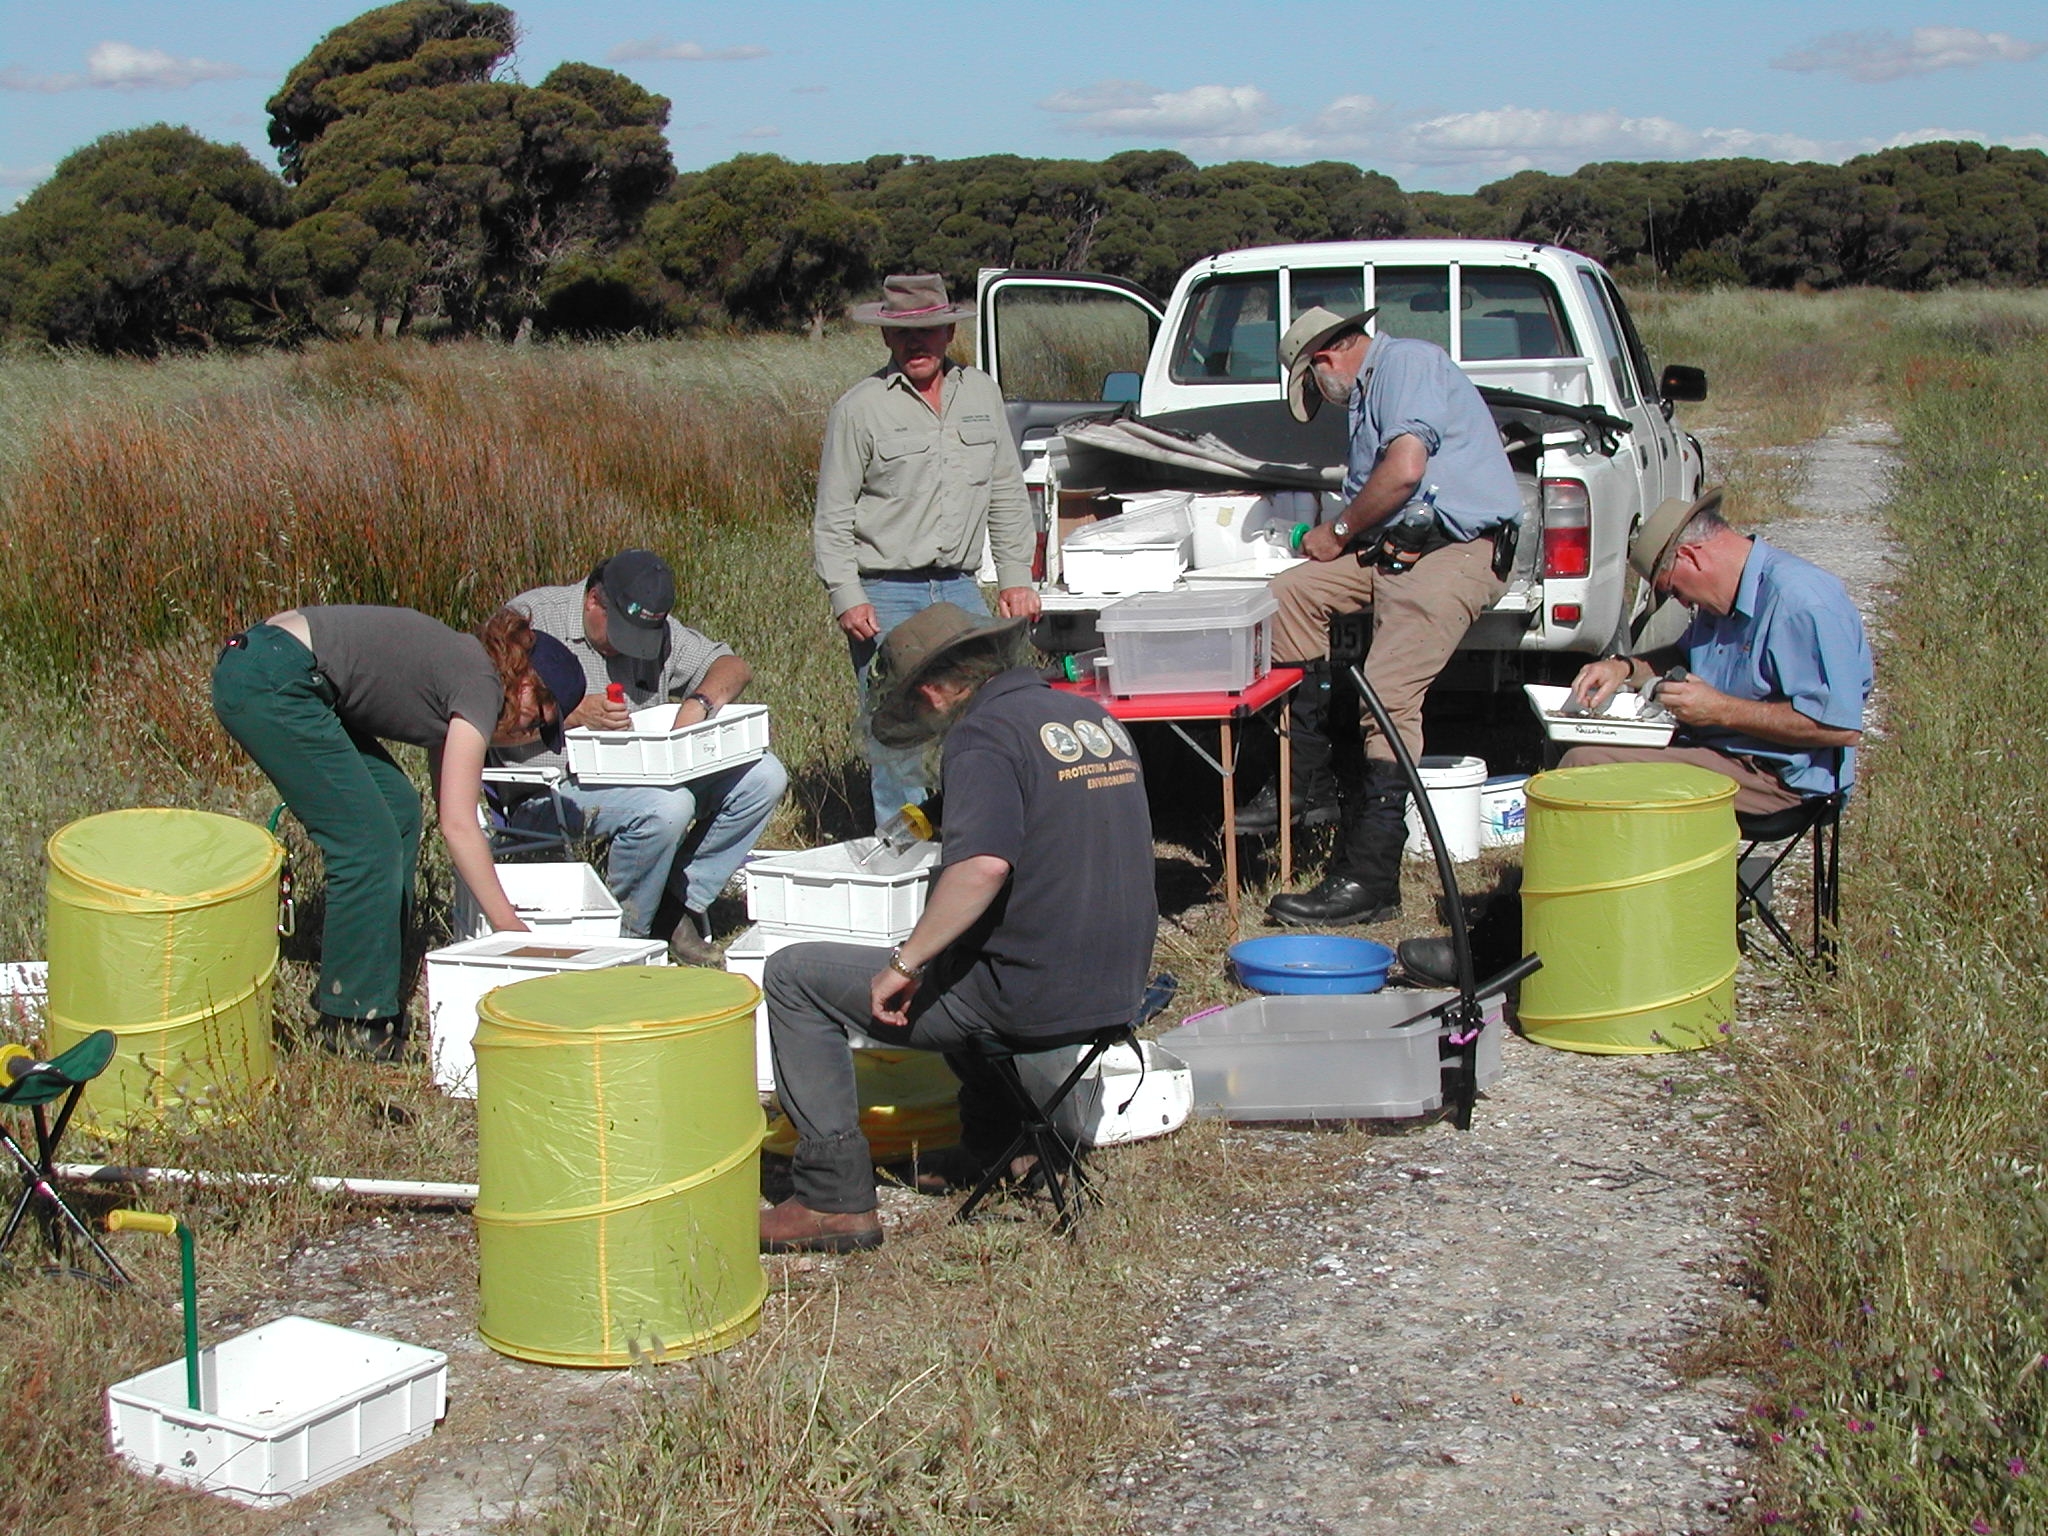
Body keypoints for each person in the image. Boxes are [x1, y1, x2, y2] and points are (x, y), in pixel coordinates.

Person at [757, 603, 1157, 1254]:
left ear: (936, 689)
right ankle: (999, 1144)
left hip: (1030, 998)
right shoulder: (1088, 717)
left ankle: (832, 1199)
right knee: (962, 949)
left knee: (794, 976)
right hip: (1115, 990)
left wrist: (905, 963)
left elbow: (982, 868)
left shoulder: (983, 733)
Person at [1399, 488, 1873, 984]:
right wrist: (1624, 667)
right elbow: (1682, 656)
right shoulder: (1725, 594)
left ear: (1692, 554)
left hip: (1781, 780)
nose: (1679, 600)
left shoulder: (1803, 602)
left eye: (1672, 587)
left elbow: (1838, 727)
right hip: (1718, 749)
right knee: (1574, 747)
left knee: (1585, 769)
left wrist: (1719, 709)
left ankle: (1503, 948)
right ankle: (1547, 925)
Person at [212, 605, 587, 1058]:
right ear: (526, 684)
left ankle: (377, 971)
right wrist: (512, 929)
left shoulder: (465, 669)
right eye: (537, 721)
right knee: (368, 842)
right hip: (274, 676)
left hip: (278, 665)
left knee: (397, 808)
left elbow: (452, 804)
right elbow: (457, 825)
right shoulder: (482, 686)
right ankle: (352, 1019)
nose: (527, 735)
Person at [1256, 307, 1523, 927]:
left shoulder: (1407, 362)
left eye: (1313, 385)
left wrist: (1338, 529)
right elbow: (1372, 499)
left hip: (1455, 550)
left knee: (1389, 691)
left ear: (1323, 360)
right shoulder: (1368, 396)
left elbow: (1404, 471)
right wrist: (1331, 540)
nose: (1321, 397)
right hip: (1396, 548)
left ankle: (1372, 876)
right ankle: (1308, 790)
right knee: (1292, 595)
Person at [813, 272, 1043, 830]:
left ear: (947, 333)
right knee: (899, 731)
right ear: (886, 339)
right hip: (886, 592)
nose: (918, 344)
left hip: (960, 587)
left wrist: (1016, 575)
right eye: (904, 334)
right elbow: (832, 515)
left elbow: (1007, 493)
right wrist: (847, 595)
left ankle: (966, 842)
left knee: (974, 720)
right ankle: (903, 863)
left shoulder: (981, 393)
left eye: (930, 331)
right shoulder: (860, 408)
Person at [501, 550, 787, 965]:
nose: (625, 647)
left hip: (645, 774)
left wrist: (699, 703)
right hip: (548, 788)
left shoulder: (658, 628)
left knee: (764, 776)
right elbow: (483, 719)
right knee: (668, 805)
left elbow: (732, 666)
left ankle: (676, 903)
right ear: (594, 600)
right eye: (619, 632)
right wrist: (566, 712)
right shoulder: (531, 620)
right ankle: (628, 934)